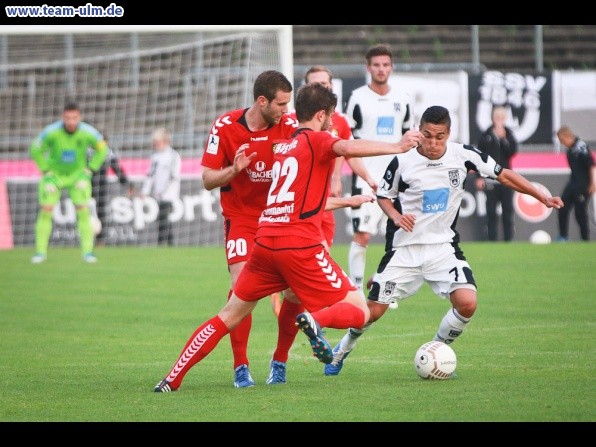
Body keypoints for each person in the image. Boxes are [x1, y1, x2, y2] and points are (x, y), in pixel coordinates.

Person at [153, 82, 422, 393]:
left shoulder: (284, 146)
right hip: (299, 245)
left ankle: (172, 378)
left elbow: (301, 197)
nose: (333, 125)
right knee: (361, 311)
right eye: (331, 118)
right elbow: (346, 147)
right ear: (321, 115)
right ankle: (315, 320)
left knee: (228, 314)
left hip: (265, 242)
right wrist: (397, 146)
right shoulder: (318, 140)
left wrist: (345, 201)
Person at [324, 105, 564, 377]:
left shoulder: (464, 155)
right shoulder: (403, 161)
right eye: (427, 135)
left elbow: (504, 174)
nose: (433, 143)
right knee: (372, 312)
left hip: (443, 248)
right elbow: (384, 196)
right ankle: (342, 350)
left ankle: (436, 350)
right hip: (405, 249)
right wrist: (395, 216)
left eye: (439, 137)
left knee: (467, 303)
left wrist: (540, 195)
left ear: (449, 134)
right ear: (419, 131)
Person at [200, 70, 299, 388]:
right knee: (242, 288)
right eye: (281, 104)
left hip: (280, 217)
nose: (285, 110)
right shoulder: (225, 126)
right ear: (262, 101)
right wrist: (234, 169)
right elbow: (206, 180)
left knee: (294, 292)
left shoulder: (290, 126)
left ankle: (279, 361)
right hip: (241, 218)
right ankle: (241, 366)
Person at [344, 43, 415, 298]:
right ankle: (356, 291)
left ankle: (383, 286)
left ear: (391, 67)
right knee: (362, 234)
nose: (381, 69)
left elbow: (409, 137)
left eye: (385, 65)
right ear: (368, 67)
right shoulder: (358, 98)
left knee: (397, 238)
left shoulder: (403, 98)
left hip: (396, 180)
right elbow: (347, 139)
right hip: (367, 179)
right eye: (376, 65)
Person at [30, 101, 108, 264]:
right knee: (46, 210)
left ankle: (87, 253)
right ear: (62, 117)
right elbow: (35, 149)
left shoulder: (89, 132)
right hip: (54, 176)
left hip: (77, 176)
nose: (71, 121)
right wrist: (46, 171)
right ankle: (40, 253)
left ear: (79, 117)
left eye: (74, 118)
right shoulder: (51, 132)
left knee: (83, 211)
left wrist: (90, 170)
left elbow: (103, 149)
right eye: (67, 118)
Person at [475, 105, 519, 241]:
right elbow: (479, 157)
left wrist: (503, 139)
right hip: (490, 180)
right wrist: (479, 177)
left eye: (502, 117)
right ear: (493, 118)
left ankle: (508, 240)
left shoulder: (509, 133)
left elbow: (513, 151)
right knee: (491, 212)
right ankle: (492, 240)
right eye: (497, 117)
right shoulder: (486, 134)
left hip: (505, 180)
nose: (499, 120)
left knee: (507, 212)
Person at [90, 134, 135, 246]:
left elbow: (117, 169)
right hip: (85, 186)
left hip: (101, 186)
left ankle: (100, 240)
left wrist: (128, 185)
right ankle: (87, 238)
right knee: (85, 211)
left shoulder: (108, 152)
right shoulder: (87, 152)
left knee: (101, 212)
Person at [140, 127, 181, 246]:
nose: (155, 145)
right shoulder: (155, 156)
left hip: (169, 193)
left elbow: (174, 176)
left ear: (165, 141)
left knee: (163, 217)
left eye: (157, 142)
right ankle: (169, 243)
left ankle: (161, 243)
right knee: (163, 218)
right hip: (158, 193)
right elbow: (150, 175)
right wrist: (145, 191)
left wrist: (164, 190)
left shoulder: (173, 155)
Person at [555, 125, 596, 241]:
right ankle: (563, 236)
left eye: (562, 141)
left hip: (584, 185)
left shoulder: (581, 147)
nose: (562, 143)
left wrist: (593, 182)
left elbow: (592, 165)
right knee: (562, 207)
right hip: (573, 183)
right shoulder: (571, 149)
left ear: (568, 137)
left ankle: (585, 239)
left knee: (580, 212)